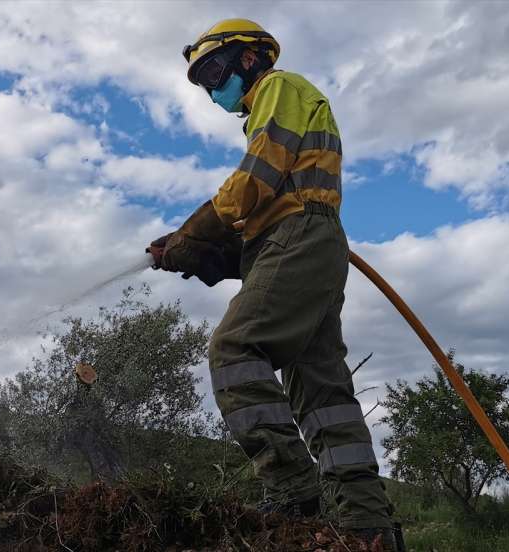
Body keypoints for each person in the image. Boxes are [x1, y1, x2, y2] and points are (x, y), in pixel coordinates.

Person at [149, 18, 402, 551]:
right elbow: (264, 228)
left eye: (214, 73)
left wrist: (193, 231)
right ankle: (368, 525)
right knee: (323, 392)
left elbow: (256, 177)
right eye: (204, 85)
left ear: (249, 58)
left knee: (235, 348)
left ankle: (292, 489)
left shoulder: (279, 86)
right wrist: (208, 255)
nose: (214, 91)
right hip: (307, 243)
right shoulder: (278, 105)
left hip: (303, 236)